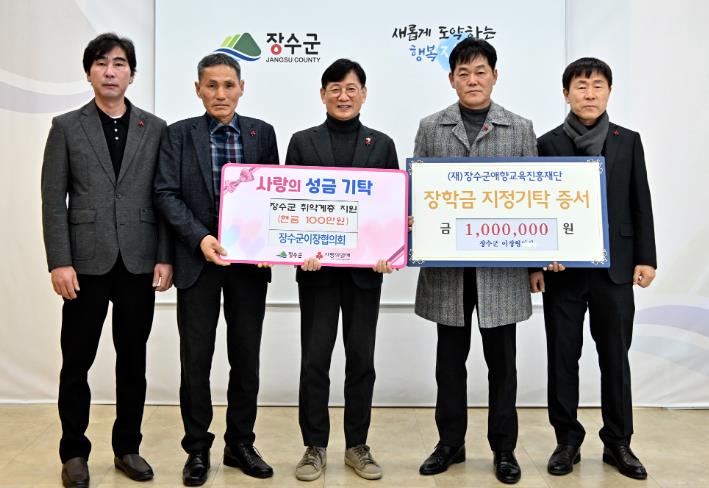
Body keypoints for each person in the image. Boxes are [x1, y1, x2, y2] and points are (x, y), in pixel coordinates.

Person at [41, 32, 173, 488]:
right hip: (84, 263)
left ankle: (127, 448)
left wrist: (164, 257)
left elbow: (162, 197)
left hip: (139, 261)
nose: (110, 71)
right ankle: (74, 452)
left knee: (132, 361)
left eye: (119, 64)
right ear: (89, 72)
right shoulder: (66, 126)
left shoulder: (155, 128)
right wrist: (59, 261)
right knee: (76, 362)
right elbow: (53, 200)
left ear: (132, 74)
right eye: (101, 63)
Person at [413, 38, 536, 484]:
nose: (472, 80)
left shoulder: (519, 128)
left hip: (501, 271)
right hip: (448, 269)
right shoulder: (432, 127)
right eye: (463, 73)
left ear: (494, 76)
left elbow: (535, 200)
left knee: (503, 366)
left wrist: (536, 265)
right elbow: (418, 191)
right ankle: (450, 443)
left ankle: (504, 449)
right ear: (451, 79)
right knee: (449, 364)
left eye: (480, 71)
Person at [154, 53, 279, 487]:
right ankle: (197, 448)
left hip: (248, 265)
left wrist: (270, 241)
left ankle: (240, 443)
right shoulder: (178, 134)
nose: (220, 93)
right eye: (211, 85)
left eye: (228, 85)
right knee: (196, 360)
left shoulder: (262, 133)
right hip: (197, 261)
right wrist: (201, 239)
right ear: (198, 89)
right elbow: (166, 194)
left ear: (242, 88)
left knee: (246, 358)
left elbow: (275, 195)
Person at [530, 57, 656, 480]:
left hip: (616, 270)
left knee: (615, 359)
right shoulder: (547, 144)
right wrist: (536, 263)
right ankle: (567, 441)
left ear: (609, 92)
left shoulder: (627, 141)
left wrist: (646, 257)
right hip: (562, 271)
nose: (589, 93)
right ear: (566, 93)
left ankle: (618, 442)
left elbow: (640, 201)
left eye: (597, 85)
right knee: (563, 358)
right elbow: (535, 207)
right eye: (581, 86)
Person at [284, 58, 398, 482]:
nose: (343, 96)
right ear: (322, 94)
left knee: (361, 360)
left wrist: (389, 250)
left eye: (351, 88)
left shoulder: (381, 145)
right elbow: (290, 206)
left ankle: (357, 445)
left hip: (365, 273)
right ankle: (314, 445)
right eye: (335, 88)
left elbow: (390, 207)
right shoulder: (302, 142)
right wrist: (300, 249)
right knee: (315, 359)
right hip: (317, 272)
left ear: (363, 94)